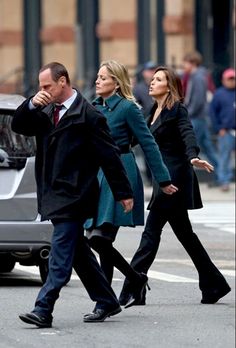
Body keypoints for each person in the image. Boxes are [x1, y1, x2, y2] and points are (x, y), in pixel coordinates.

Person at [12, 61, 135, 327]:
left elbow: (110, 156)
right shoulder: (45, 109)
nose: (42, 90)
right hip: (52, 190)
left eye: (47, 86)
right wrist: (32, 102)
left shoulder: (89, 115)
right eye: (40, 86)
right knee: (78, 250)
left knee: (60, 250)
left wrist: (123, 192)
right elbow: (19, 126)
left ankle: (43, 307)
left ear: (63, 81)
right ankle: (107, 300)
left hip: (76, 194)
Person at [119, 66, 231, 307]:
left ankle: (132, 286)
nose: (151, 82)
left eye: (158, 79)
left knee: (151, 233)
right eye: (153, 78)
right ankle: (215, 284)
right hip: (164, 177)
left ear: (169, 87)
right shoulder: (152, 111)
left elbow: (187, 133)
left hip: (174, 179)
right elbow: (138, 139)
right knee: (185, 236)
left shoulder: (177, 109)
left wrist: (193, 156)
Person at [84, 60, 177, 306]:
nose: (97, 81)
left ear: (116, 81)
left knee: (99, 238)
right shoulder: (92, 107)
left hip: (120, 173)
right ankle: (129, 283)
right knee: (98, 239)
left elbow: (148, 143)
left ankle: (115, 294)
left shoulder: (128, 108)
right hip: (96, 176)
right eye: (98, 76)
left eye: (103, 77)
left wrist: (163, 178)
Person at [182, 51, 219, 186]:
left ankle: (219, 176)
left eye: (185, 63)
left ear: (192, 63)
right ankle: (219, 176)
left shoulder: (197, 77)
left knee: (188, 147)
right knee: (207, 147)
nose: (183, 66)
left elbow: (197, 100)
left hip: (196, 117)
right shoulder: (196, 76)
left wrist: (188, 113)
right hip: (199, 117)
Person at [209, 68, 236, 192]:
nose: (232, 81)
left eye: (233, 79)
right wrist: (219, 128)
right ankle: (224, 181)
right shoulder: (219, 94)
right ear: (223, 80)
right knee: (224, 157)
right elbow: (213, 113)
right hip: (226, 131)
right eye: (229, 79)